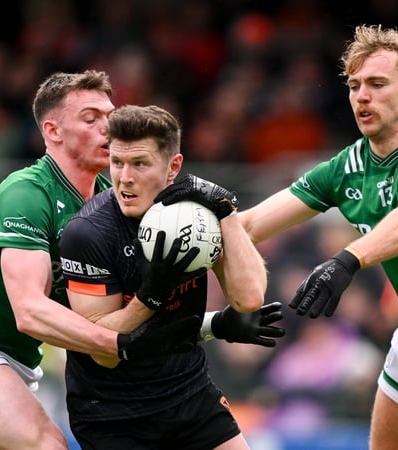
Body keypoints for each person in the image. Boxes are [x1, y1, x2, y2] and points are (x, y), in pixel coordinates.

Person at [158, 24, 398, 449]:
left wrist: (346, 259)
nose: (361, 96)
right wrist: (204, 220)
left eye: (376, 84)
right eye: (354, 86)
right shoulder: (347, 166)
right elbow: (248, 227)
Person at [0, 71, 204, 450]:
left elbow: (139, 304)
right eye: (91, 119)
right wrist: (115, 343)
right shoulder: (27, 194)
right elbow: (29, 311)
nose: (108, 128)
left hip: (18, 360)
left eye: (110, 116)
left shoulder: (114, 194)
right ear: (53, 131)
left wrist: (215, 325)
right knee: (48, 445)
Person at [58, 104, 284, 450]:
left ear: (173, 167)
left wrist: (224, 208)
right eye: (117, 162)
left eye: (140, 164)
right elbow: (101, 349)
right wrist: (151, 297)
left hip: (188, 392)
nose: (124, 178)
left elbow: (249, 298)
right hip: (113, 414)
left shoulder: (199, 216)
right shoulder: (88, 234)